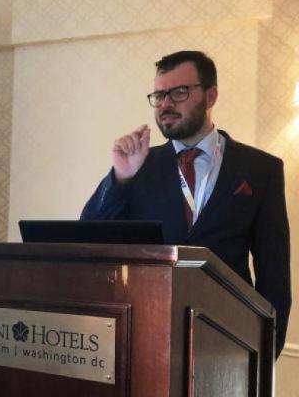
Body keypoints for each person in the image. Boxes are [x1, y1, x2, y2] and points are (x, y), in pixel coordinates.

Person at [81, 51, 291, 358]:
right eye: (159, 95)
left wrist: (266, 354)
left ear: (211, 95)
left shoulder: (260, 169)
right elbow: (87, 236)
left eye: (179, 92)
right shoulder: (138, 165)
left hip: (228, 342)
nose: (165, 104)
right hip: (147, 338)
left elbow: (274, 276)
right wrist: (121, 178)